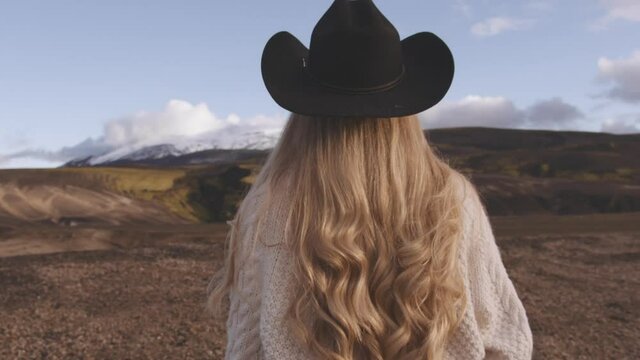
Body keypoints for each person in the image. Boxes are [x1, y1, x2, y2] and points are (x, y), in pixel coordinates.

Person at [207, 1, 533, 359]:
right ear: (404, 110)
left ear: (303, 111)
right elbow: (506, 340)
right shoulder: (454, 199)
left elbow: (245, 349)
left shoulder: (267, 208)